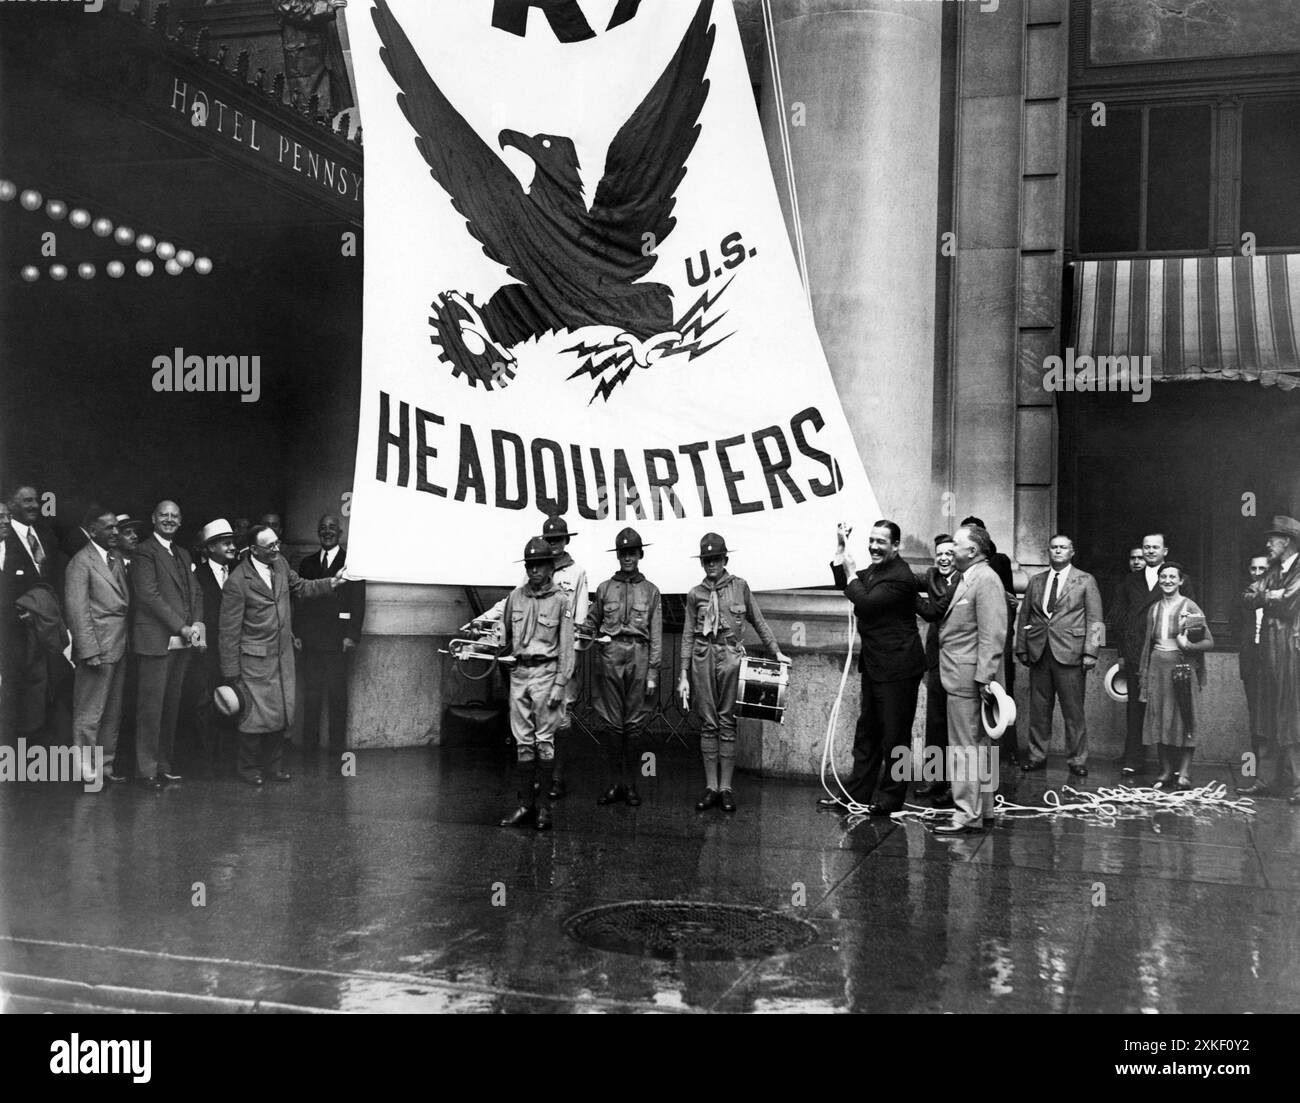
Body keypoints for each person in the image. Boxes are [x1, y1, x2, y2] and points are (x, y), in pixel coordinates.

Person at [474, 514, 588, 799]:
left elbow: (578, 624)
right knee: (525, 734)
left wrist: (564, 673)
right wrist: (480, 624)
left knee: (560, 721)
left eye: (558, 540)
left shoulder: (576, 574)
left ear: (566, 540)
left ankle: (556, 778)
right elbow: (511, 608)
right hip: (527, 666)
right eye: (550, 540)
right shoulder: (531, 572)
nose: (554, 544)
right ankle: (532, 788)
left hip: (557, 661)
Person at [219, 525, 343, 786]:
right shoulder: (238, 582)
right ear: (254, 550)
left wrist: (332, 582)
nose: (277, 549)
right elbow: (228, 632)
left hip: (281, 657)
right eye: (270, 546)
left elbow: (302, 587)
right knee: (252, 717)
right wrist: (231, 674)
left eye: (277, 543)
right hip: (253, 661)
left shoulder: (281, 565)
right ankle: (248, 768)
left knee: (279, 714)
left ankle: (273, 767)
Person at [817, 520, 925, 815]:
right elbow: (847, 583)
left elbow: (864, 603)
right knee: (868, 735)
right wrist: (841, 550)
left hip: (899, 668)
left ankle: (892, 800)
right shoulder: (878, 570)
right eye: (872, 540)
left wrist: (852, 573)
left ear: (896, 546)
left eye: (881, 542)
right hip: (877, 666)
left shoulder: (901, 577)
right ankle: (856, 796)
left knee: (896, 738)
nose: (874, 546)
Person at [678, 533, 789, 813]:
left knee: (727, 721)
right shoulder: (695, 594)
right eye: (707, 560)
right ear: (702, 562)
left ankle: (726, 788)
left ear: (725, 559)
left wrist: (775, 651)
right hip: (702, 656)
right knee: (708, 721)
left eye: (716, 559)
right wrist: (683, 674)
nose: (711, 564)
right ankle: (710, 787)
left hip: (730, 656)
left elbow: (758, 620)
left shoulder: (740, 587)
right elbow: (688, 635)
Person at [497, 537, 575, 831]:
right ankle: (525, 806)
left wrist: (560, 684)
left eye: (539, 565)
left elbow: (566, 647)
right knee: (523, 743)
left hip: (546, 675)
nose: (533, 571)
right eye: (529, 565)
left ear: (550, 568)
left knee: (545, 743)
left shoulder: (561, 601)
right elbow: (505, 637)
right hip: (520, 676)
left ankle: (544, 810)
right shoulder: (515, 598)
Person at [934, 523, 1007, 836]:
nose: (951, 550)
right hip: (966, 674)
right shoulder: (973, 577)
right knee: (978, 746)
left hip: (967, 677)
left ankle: (966, 814)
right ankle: (983, 810)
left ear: (974, 551)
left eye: (957, 545)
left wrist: (984, 677)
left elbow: (994, 632)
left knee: (965, 748)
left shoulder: (985, 579)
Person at [1014, 534, 1104, 777]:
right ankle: (1036, 756)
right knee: (1039, 710)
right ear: (1048, 551)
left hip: (1071, 654)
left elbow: (1096, 620)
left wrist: (1091, 653)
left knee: (1074, 711)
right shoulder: (1036, 581)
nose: (1058, 551)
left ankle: (1077, 759)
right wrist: (1021, 647)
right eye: (1054, 547)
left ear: (1072, 552)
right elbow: (1025, 617)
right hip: (1040, 652)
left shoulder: (1085, 580)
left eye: (1063, 547)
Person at [585, 527, 662, 807]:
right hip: (610, 655)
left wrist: (653, 671)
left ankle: (631, 784)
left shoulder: (651, 591)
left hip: (639, 657)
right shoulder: (605, 588)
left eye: (632, 552)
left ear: (640, 555)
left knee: (635, 725)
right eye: (623, 553)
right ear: (617, 556)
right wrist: (589, 633)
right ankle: (613, 782)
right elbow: (591, 621)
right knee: (612, 724)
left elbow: (655, 634)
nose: (627, 557)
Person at [1108, 532, 1196, 776]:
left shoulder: (1179, 579)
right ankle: (1134, 759)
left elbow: (1193, 620)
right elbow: (1118, 618)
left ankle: (1174, 767)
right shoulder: (1129, 581)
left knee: (1173, 709)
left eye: (1155, 547)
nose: (1150, 551)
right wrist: (1123, 653)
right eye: (1146, 547)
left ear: (1165, 551)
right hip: (1137, 654)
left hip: (1169, 656)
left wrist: (1187, 652)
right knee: (1136, 708)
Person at [131, 500, 204, 791]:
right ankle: (145, 770)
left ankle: (163, 765)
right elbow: (148, 596)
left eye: (175, 516)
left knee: (170, 706)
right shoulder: (143, 552)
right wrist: (183, 627)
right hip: (156, 640)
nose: (169, 520)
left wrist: (197, 624)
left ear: (181, 520)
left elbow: (196, 591)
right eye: (164, 515)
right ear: (153, 518)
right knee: (150, 708)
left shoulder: (183, 553)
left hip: (181, 642)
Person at [64, 509, 131, 784]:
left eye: (116, 527)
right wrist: (89, 650)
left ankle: (104, 769)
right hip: (98, 650)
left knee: (111, 714)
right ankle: (86, 773)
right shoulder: (81, 562)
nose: (115, 532)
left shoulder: (114, 558)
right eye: (108, 528)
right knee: (89, 715)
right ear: (92, 531)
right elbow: (77, 612)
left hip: (119, 647)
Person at [294, 513, 366, 755]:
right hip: (312, 641)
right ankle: (309, 748)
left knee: (337, 695)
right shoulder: (307, 563)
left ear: (340, 533)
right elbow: (300, 602)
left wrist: (352, 635)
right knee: (311, 695)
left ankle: (338, 749)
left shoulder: (352, 564)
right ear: (318, 532)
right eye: (323, 527)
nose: (327, 532)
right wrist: (298, 633)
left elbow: (358, 602)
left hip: (338, 641)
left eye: (332, 528)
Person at [1137, 562, 1213, 789]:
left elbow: (1209, 642)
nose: (1167, 581)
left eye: (1172, 577)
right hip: (1157, 668)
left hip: (1182, 671)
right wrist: (1144, 672)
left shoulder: (1190, 607)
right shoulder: (1154, 609)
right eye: (1163, 577)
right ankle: (1166, 770)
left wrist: (1186, 644)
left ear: (1181, 581)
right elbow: (1146, 645)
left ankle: (1185, 773)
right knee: (1160, 717)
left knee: (1184, 718)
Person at [1242, 516, 1300, 804]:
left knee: (1290, 715)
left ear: (1286, 541)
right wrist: (1271, 594)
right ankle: (1266, 780)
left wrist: (1269, 596)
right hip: (1269, 652)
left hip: (1291, 652)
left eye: (1272, 539)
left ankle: (1298, 785)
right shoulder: (1275, 569)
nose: (1267, 543)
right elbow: (1248, 596)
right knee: (1267, 715)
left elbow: (1290, 602)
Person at [961, 516, 1020, 764]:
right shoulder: (959, 563)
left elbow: (1009, 600)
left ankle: (1007, 748)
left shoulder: (999, 561)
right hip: (971, 642)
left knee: (1001, 692)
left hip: (995, 635)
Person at [191, 519, 241, 777]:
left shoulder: (239, 573)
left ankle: (227, 760)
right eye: (226, 543)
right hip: (207, 651)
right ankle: (207, 762)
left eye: (233, 542)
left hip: (232, 651)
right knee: (205, 703)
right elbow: (194, 611)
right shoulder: (197, 575)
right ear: (210, 548)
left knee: (231, 703)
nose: (232, 547)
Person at [915, 534, 956, 804]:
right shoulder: (933, 576)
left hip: (960, 662)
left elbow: (936, 609)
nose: (943, 558)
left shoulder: (965, 580)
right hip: (936, 659)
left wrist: (913, 598)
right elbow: (905, 578)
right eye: (939, 553)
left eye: (949, 554)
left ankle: (958, 784)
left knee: (960, 725)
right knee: (935, 722)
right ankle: (935, 779)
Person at [1231, 556, 1271, 794]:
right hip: (1252, 661)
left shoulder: (1280, 597)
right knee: (1257, 719)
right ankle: (1259, 776)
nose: (1257, 572)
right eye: (1253, 568)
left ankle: (1285, 777)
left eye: (1262, 568)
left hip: (1277, 661)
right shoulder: (1244, 598)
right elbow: (1234, 626)